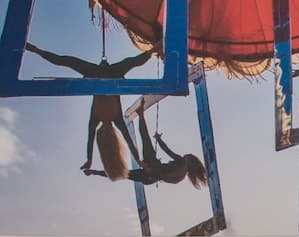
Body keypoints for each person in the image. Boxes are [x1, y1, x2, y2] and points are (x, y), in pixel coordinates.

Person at [25, 42, 154, 179]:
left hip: (96, 74)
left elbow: (91, 139)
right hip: (112, 74)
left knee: (68, 61)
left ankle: (37, 50)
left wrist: (89, 159)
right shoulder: (115, 120)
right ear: (111, 134)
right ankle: (154, 50)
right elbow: (128, 141)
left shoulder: (97, 119)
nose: (104, 129)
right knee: (132, 62)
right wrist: (138, 160)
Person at [84, 100, 208, 189]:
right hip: (149, 177)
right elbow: (164, 174)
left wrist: (159, 140)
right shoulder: (180, 178)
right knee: (123, 173)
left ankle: (141, 114)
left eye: (187, 156)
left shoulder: (181, 162)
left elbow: (167, 151)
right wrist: (152, 171)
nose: (185, 155)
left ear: (190, 161)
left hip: (151, 169)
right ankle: (93, 172)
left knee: (145, 139)